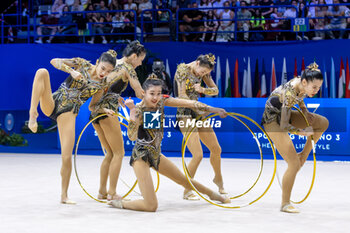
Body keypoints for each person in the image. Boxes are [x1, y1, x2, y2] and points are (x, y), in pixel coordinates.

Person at [109, 78, 231, 211]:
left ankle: (214, 196)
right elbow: (132, 136)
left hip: (156, 154)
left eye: (158, 93)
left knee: (184, 180)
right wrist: (132, 111)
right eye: (152, 93)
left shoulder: (162, 101)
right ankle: (120, 203)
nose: (156, 97)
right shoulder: (139, 110)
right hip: (141, 156)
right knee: (151, 206)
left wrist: (214, 109)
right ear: (143, 93)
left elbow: (190, 103)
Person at [28, 50, 116, 204]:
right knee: (42, 72)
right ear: (97, 62)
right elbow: (54, 61)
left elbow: (92, 106)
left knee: (66, 156)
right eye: (103, 68)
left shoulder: (102, 84)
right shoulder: (82, 63)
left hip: (68, 112)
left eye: (108, 71)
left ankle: (64, 195)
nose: (104, 73)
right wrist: (72, 71)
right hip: (54, 101)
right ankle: (32, 114)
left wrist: (104, 109)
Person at [262, 62, 329, 213]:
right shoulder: (289, 93)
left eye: (319, 88)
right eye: (314, 88)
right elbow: (285, 126)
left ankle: (304, 155)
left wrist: (304, 111)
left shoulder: (303, 82)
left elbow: (301, 97)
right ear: (304, 82)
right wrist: (302, 132)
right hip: (272, 121)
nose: (316, 91)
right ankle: (285, 203)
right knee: (293, 164)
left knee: (323, 123)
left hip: (286, 114)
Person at [89, 41, 145, 201]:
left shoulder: (114, 64)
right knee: (119, 153)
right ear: (134, 57)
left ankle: (102, 192)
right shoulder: (128, 68)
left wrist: (117, 96)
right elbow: (139, 92)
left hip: (96, 112)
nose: (140, 64)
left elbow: (106, 87)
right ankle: (112, 193)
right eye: (140, 60)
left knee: (110, 154)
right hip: (108, 111)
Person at [174, 53, 227, 200]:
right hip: (185, 112)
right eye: (202, 72)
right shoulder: (182, 70)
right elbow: (182, 95)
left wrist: (203, 90)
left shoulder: (203, 73)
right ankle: (187, 190)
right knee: (197, 154)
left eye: (206, 73)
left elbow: (215, 90)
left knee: (216, 149)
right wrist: (199, 106)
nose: (203, 75)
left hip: (199, 112)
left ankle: (218, 178)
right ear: (197, 63)